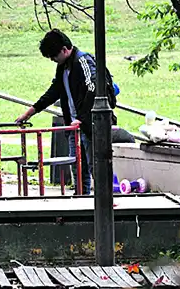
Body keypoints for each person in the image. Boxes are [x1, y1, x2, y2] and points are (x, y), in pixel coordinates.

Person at [14, 29, 118, 186]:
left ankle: (104, 204)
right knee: (77, 167)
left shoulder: (83, 61)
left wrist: (81, 119)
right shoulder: (62, 67)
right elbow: (54, 92)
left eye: (54, 56)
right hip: (74, 126)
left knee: (95, 167)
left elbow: (94, 89)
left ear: (64, 49)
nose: (52, 60)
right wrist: (31, 111)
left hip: (90, 126)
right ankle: (82, 198)